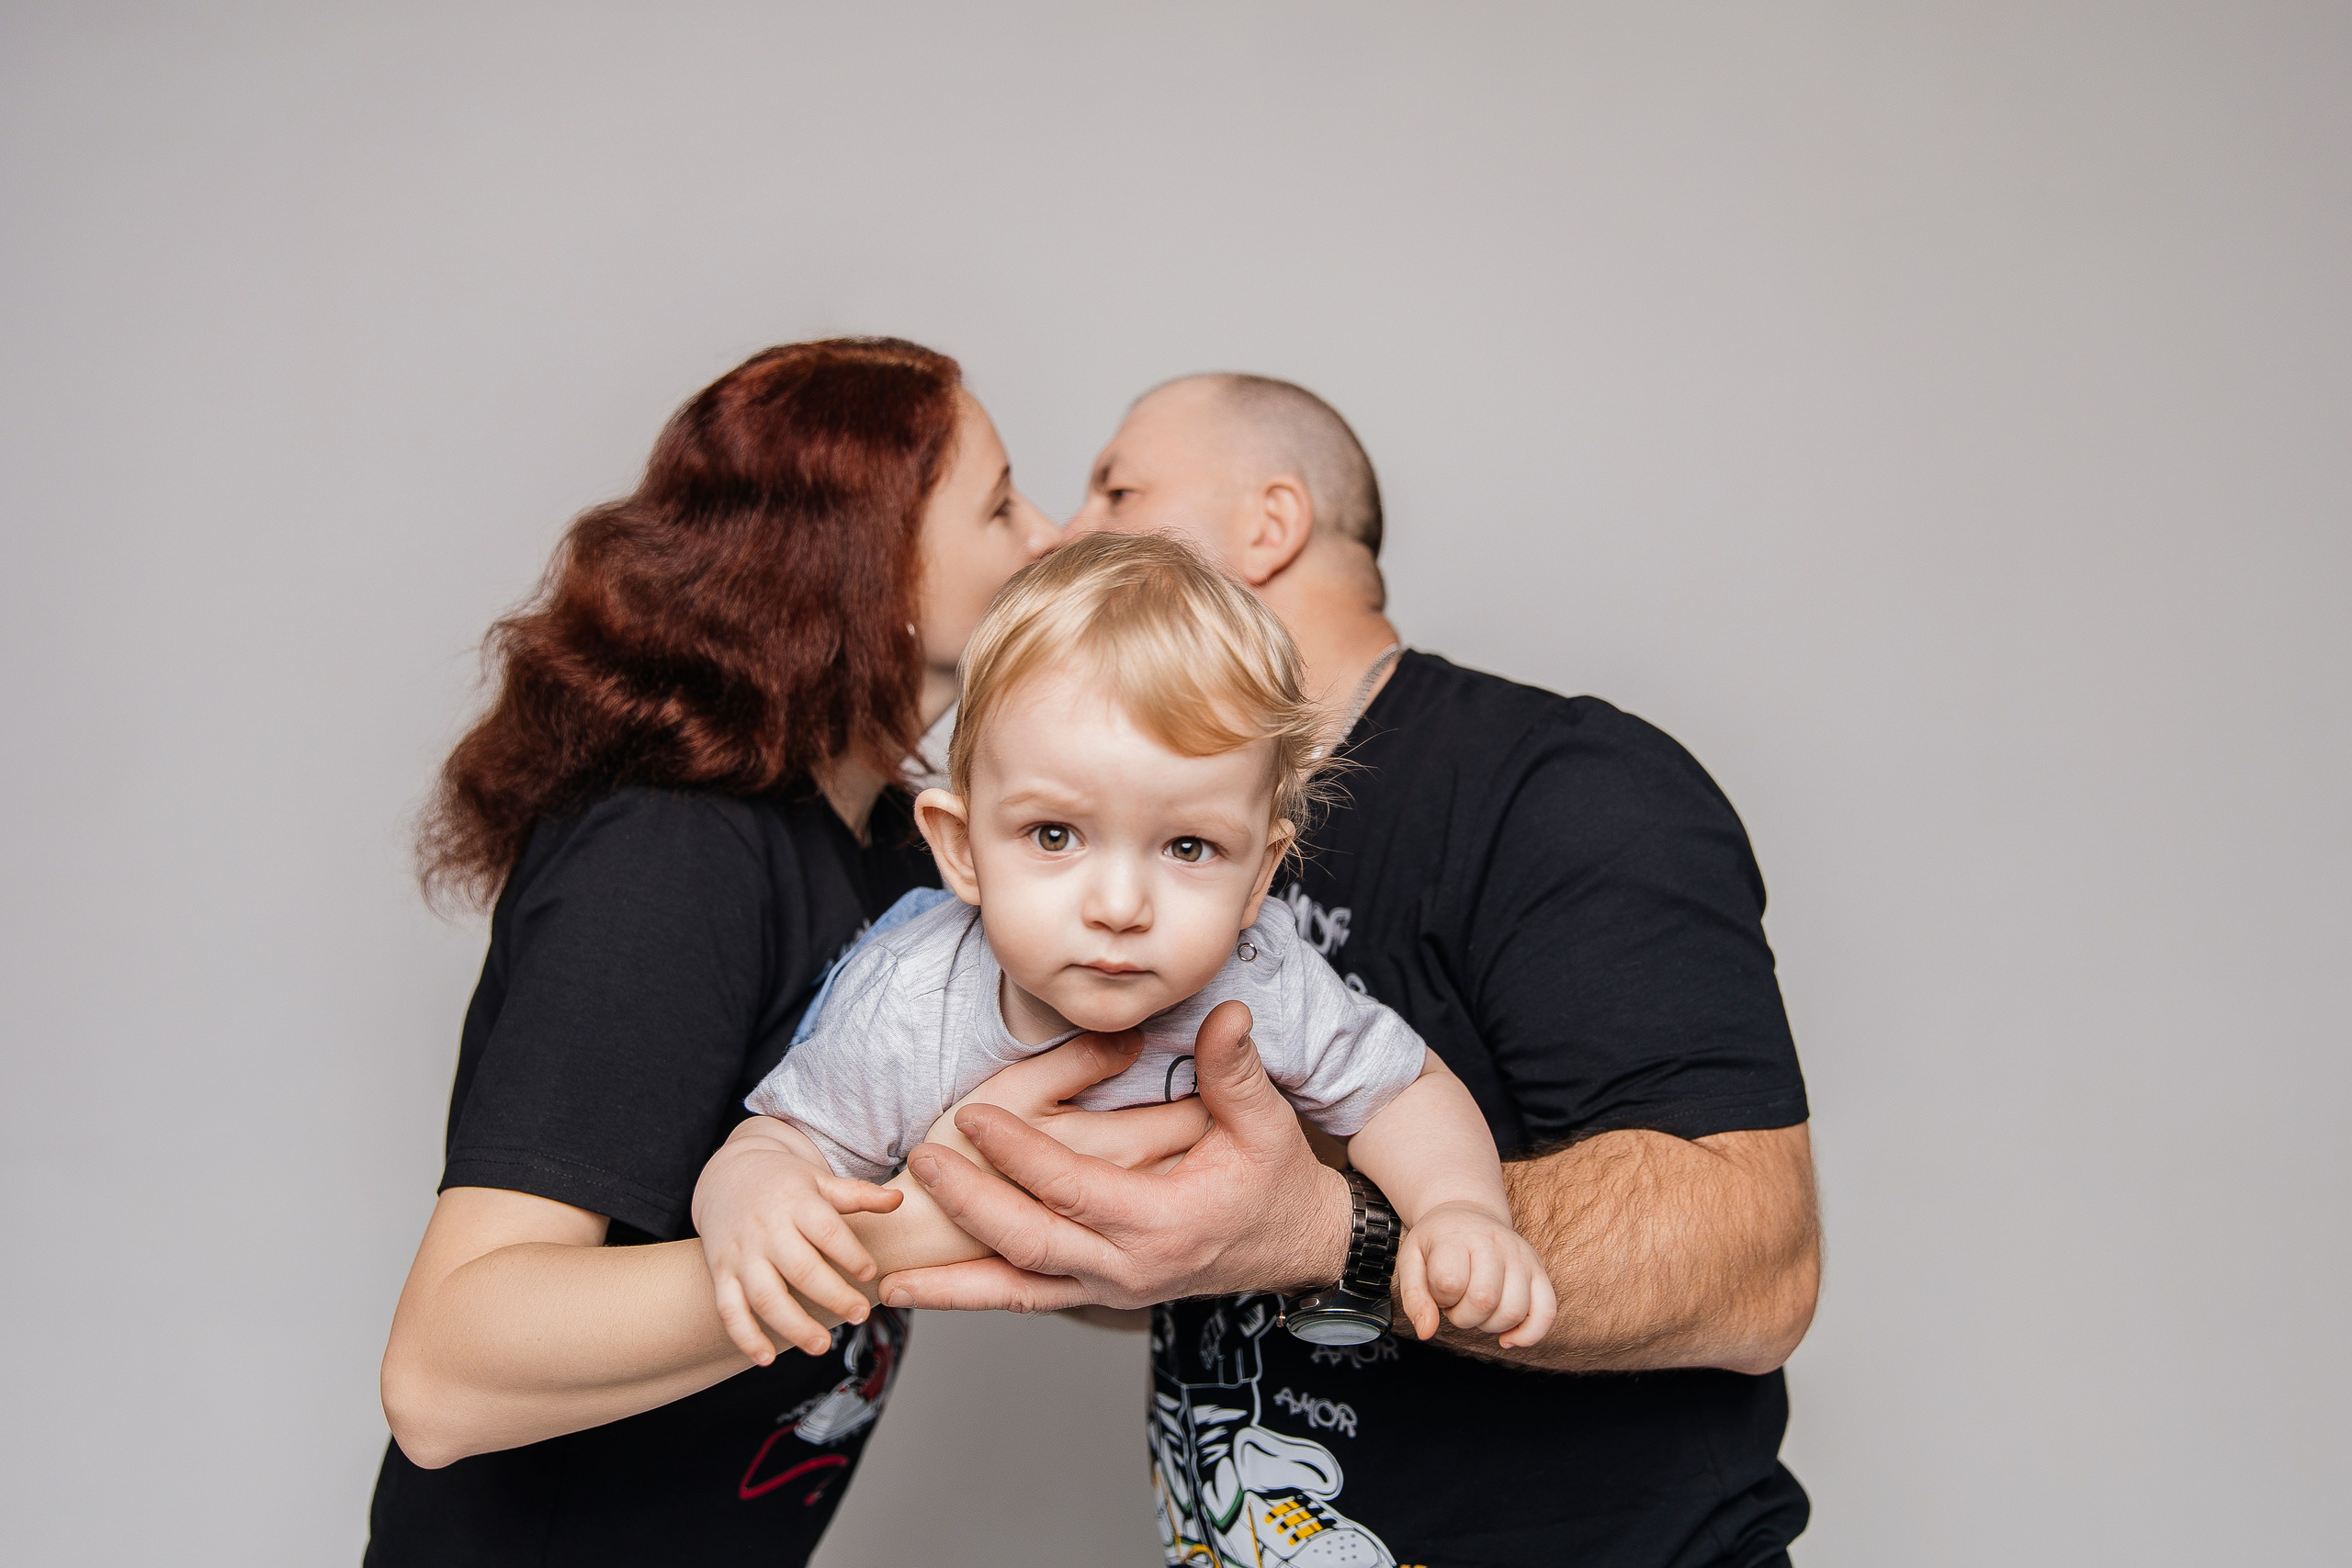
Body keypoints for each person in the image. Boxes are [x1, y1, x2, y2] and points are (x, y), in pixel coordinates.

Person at [870, 374, 1824, 1566]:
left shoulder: (1564, 787)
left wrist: (1335, 1228)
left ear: (1268, 528)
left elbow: (1755, 1257)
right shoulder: (1097, 862)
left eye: (1117, 486)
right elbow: (1187, 1253)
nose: (1061, 532)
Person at [367, 338, 1189, 1566]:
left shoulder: (910, 862)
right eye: (1003, 499)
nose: (1052, 531)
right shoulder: (670, 852)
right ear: (886, 568)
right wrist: (907, 1226)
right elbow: (442, 1374)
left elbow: (1025, 1192)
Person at [694, 531, 1557, 1373]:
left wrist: (1460, 1209)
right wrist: (751, 1192)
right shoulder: (912, 1000)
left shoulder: (1264, 975)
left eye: (1187, 847)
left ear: (1260, 875)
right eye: (1055, 833)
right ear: (961, 847)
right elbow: (784, 1141)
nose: (1118, 907)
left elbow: (1402, 1092)